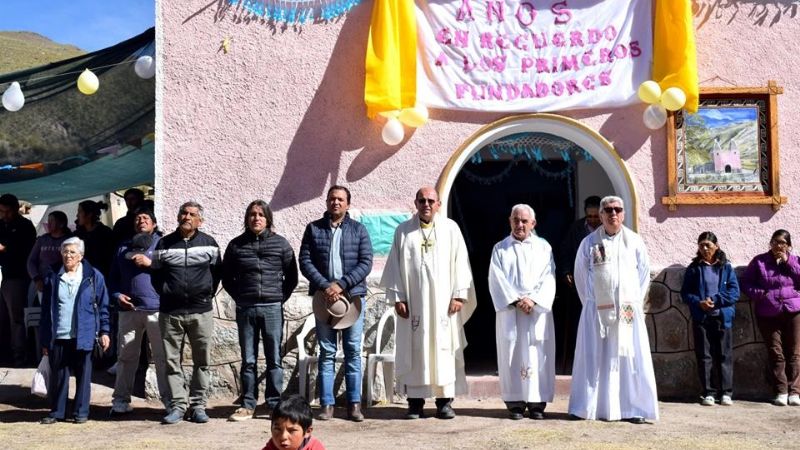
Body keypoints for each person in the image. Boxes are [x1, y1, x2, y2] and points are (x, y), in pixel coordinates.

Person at [380, 186, 476, 420]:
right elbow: (394, 266)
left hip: (444, 304)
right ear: (415, 203)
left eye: (431, 201)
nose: (426, 205)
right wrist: (398, 298)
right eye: (422, 200)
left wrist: (459, 294)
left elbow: (461, 262)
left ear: (438, 204)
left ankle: (444, 402)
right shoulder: (403, 231)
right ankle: (415, 403)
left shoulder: (451, 229)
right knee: (416, 350)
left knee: (444, 348)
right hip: (414, 305)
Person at [568, 195, 658, 424]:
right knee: (593, 357)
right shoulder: (589, 243)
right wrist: (593, 304)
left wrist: (631, 302)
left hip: (627, 312)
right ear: (601, 215)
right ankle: (587, 407)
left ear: (624, 214)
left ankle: (632, 408)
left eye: (617, 209)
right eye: (608, 210)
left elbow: (643, 274)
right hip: (596, 312)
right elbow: (580, 276)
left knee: (629, 358)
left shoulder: (635, 242)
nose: (613, 213)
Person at [133, 201, 222, 424]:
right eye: (183, 213)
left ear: (200, 220)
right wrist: (166, 292)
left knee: (202, 361)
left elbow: (216, 273)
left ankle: (198, 405)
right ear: (178, 216)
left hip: (201, 311)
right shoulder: (164, 243)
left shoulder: (209, 244)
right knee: (172, 361)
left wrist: (205, 295)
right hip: (170, 312)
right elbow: (156, 275)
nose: (187, 217)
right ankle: (178, 406)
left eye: (192, 214)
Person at [299, 186, 373, 422]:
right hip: (324, 300)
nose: (336, 203)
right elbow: (305, 261)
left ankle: (354, 404)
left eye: (341, 199)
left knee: (352, 351)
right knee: (327, 351)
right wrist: (325, 286)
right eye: (332, 199)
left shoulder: (359, 230)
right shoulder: (314, 229)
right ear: (327, 202)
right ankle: (327, 404)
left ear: (348, 204)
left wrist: (341, 284)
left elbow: (366, 262)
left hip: (352, 299)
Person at [224, 200, 298, 421]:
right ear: (247, 219)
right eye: (252, 214)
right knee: (248, 359)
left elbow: (291, 277)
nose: (256, 218)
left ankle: (274, 404)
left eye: (261, 214)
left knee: (274, 358)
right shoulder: (236, 245)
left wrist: (278, 298)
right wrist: (240, 297)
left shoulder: (281, 244)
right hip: (246, 308)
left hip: (272, 308)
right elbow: (226, 277)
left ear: (268, 219)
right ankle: (248, 404)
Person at [488, 204, 556, 420]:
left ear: (533, 223)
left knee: (538, 354)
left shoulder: (544, 247)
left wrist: (533, 299)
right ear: (510, 221)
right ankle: (515, 403)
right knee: (511, 352)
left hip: (536, 311)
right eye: (516, 220)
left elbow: (549, 277)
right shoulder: (500, 248)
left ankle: (537, 404)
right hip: (511, 311)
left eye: (524, 221)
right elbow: (496, 278)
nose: (520, 224)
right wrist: (516, 300)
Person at [38, 237, 111, 424]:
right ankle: (57, 412)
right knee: (59, 376)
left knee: (83, 376)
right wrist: (45, 338)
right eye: (65, 251)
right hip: (59, 334)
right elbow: (45, 310)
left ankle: (81, 412)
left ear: (81, 255)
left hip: (84, 334)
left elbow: (103, 306)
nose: (68, 255)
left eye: (72, 252)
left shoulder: (93, 276)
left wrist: (104, 331)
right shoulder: (52, 275)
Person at [108, 208, 169, 416]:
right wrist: (117, 295)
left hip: (157, 310)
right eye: (138, 218)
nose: (141, 221)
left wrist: (151, 264)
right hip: (129, 310)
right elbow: (113, 277)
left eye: (146, 218)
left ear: (154, 224)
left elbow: (172, 271)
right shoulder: (123, 246)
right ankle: (120, 401)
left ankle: (170, 402)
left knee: (162, 358)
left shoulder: (163, 244)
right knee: (126, 357)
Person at [740, 229, 800, 406]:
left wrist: (788, 262)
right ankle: (781, 391)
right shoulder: (759, 261)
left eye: (782, 242)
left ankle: (795, 392)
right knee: (776, 352)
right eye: (775, 242)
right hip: (768, 311)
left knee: (795, 353)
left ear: (788, 245)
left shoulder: (795, 261)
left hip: (793, 311)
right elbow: (746, 282)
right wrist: (760, 294)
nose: (778, 246)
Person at [680, 232, 739, 406]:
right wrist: (699, 303)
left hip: (722, 317)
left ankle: (726, 392)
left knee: (724, 355)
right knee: (704, 355)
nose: (705, 249)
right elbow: (685, 293)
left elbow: (734, 292)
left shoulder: (726, 267)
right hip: (702, 318)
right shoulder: (694, 268)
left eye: (708, 245)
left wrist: (715, 300)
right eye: (701, 246)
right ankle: (709, 392)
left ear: (716, 246)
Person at [556, 196, 601, 372]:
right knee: (579, 323)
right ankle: (580, 359)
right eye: (590, 216)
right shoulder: (576, 228)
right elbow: (565, 250)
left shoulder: (607, 229)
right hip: (579, 285)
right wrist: (566, 271)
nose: (593, 220)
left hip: (601, 287)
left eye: (596, 216)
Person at [0, 193, 37, 367]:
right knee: (3, 318)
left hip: (18, 277)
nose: (4, 215)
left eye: (7, 211)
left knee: (16, 318)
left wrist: (5, 249)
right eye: (2, 211)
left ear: (16, 209)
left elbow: (25, 251)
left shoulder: (25, 226)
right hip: (5, 276)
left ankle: (19, 355)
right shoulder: (1, 224)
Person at [28, 211, 73, 297]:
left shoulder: (70, 241)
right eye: (48, 221)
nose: (48, 224)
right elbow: (31, 261)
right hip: (40, 281)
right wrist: (36, 278)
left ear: (61, 224)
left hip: (61, 283)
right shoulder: (42, 240)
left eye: (52, 221)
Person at [261, 394, 326, 450]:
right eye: (278, 429)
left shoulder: (314, 448)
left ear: (307, 431)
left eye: (292, 430)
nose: (283, 437)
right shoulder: (271, 447)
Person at [74, 200, 115, 276]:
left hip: (102, 275)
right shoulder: (77, 234)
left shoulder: (105, 233)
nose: (77, 215)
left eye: (80, 212)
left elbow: (110, 259)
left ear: (89, 214)